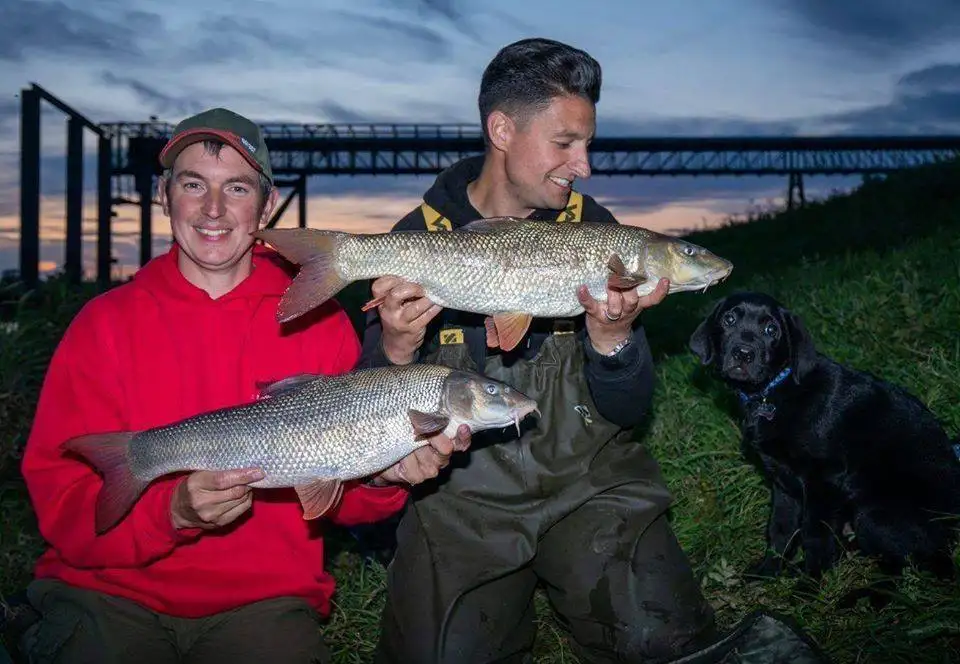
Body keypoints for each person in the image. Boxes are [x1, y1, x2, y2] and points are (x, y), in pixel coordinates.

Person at [18, 107, 461, 664]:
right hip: (108, 589)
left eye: (237, 187)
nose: (213, 209)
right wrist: (171, 512)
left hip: (263, 602)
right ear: (164, 194)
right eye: (193, 184)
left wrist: (383, 475)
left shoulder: (319, 323)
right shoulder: (102, 325)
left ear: (267, 205)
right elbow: (62, 502)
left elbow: (339, 502)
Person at [358, 38, 719, 663]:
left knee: (663, 642)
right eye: (564, 144)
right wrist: (394, 348)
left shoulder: (599, 233)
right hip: (461, 502)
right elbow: (365, 411)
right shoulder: (417, 242)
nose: (583, 165)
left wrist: (612, 342)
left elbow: (630, 411)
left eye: (587, 144)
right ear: (502, 129)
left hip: (590, 484)